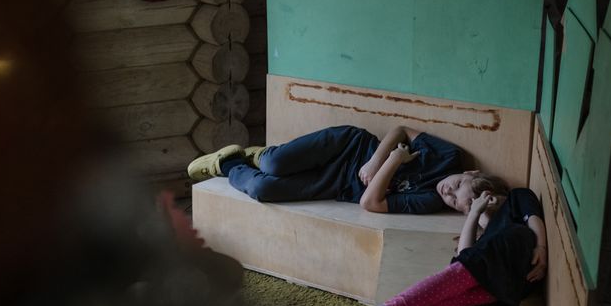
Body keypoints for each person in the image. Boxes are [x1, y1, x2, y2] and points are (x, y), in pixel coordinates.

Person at [330, 182, 546, 306]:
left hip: (523, 252)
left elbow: (532, 215)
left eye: (461, 189)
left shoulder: (515, 198)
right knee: (450, 302)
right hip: (510, 287)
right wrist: (474, 214)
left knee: (462, 270)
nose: (452, 195)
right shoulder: (489, 238)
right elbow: (465, 255)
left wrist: (541, 247)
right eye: (459, 204)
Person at [187, 124, 481, 215]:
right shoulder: (448, 156)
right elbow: (401, 130)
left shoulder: (430, 201)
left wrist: (395, 162)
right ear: (468, 174)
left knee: (264, 189)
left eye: (455, 203)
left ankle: (228, 163)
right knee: (275, 164)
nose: (449, 193)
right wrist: (378, 159)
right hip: (348, 147)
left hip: (340, 185)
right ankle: (258, 155)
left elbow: (370, 202)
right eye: (457, 186)